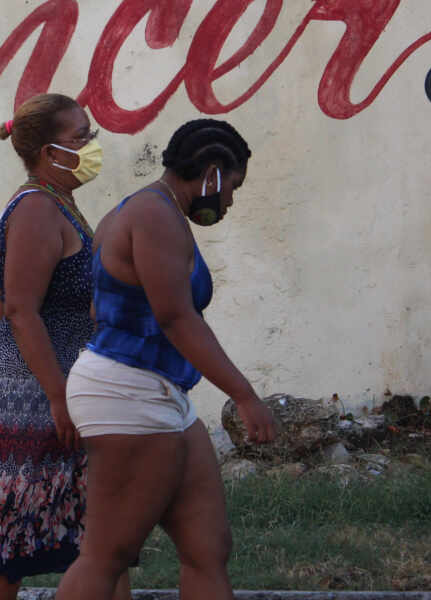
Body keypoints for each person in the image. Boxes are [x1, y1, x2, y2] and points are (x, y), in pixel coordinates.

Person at [56, 118, 278, 600]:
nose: (231, 201)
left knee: (208, 547)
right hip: (127, 391)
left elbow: (105, 307)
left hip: (161, 393)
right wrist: (244, 395)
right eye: (232, 187)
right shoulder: (154, 215)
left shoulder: (155, 213)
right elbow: (176, 318)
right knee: (107, 556)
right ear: (213, 174)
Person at [0, 93, 123, 599]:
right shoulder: (35, 209)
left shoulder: (59, 202)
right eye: (81, 138)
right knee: (12, 536)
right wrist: (59, 397)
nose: (93, 146)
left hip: (43, 382)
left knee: (102, 529)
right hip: (37, 388)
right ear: (48, 152)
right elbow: (18, 308)